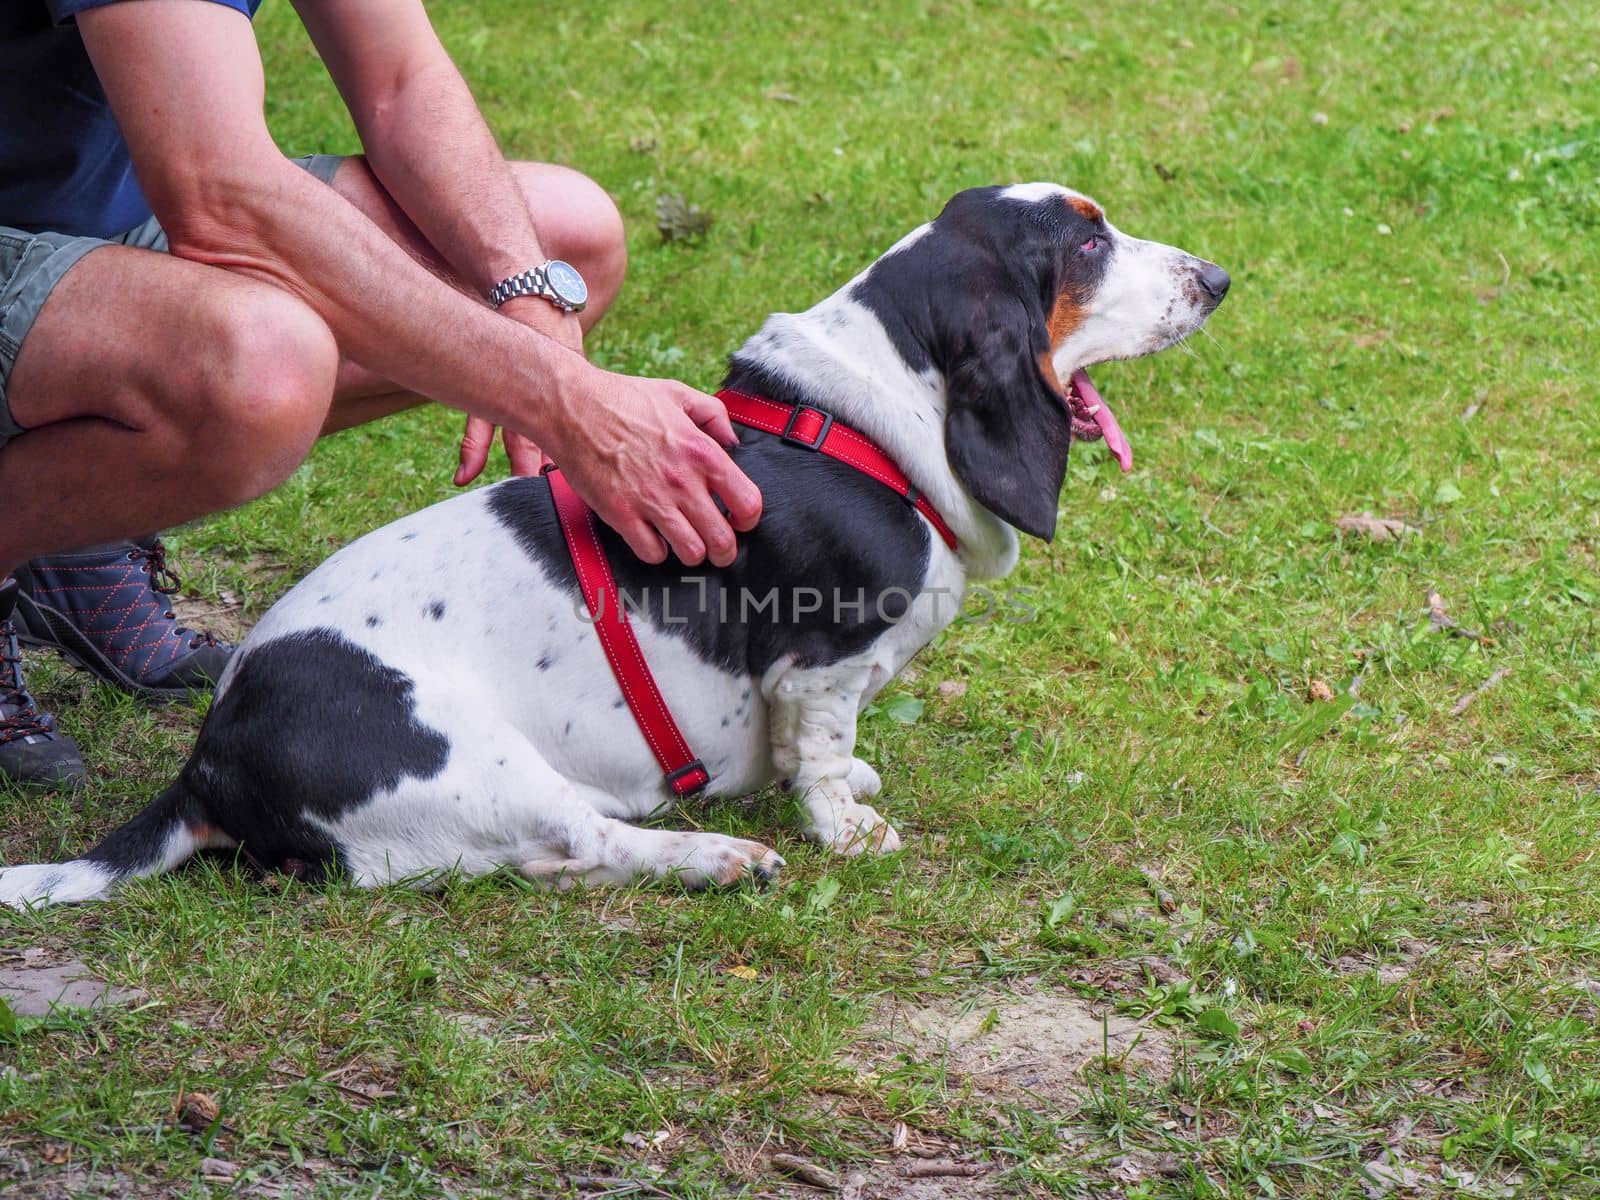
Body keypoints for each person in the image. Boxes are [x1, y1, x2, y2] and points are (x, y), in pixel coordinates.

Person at [0, 0, 763, 790]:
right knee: (260, 371)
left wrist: (527, 299)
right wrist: (562, 396)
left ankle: (74, 535)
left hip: (109, 216)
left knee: (561, 242)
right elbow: (221, 196)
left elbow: (401, 80)